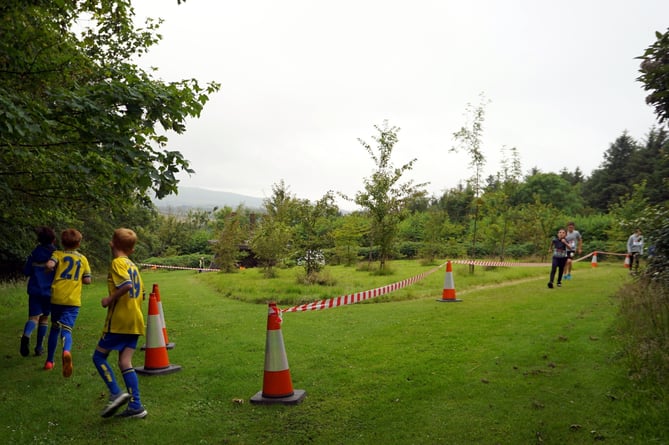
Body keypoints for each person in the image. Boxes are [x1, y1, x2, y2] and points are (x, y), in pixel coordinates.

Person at [93, 228, 147, 419]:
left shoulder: (117, 263)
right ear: (132, 250)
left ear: (111, 243)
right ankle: (136, 406)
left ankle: (116, 392)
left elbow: (126, 286)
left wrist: (110, 299)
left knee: (98, 358)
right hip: (135, 320)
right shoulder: (133, 265)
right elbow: (142, 293)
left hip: (119, 321)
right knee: (125, 361)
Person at [44, 229, 92, 376]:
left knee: (54, 327)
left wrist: (49, 269)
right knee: (67, 329)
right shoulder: (83, 259)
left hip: (56, 297)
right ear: (78, 243)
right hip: (72, 300)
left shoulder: (57, 254)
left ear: (62, 242)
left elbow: (49, 265)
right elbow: (87, 280)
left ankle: (49, 361)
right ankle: (66, 351)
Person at [21, 227, 57, 357]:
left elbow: (26, 271)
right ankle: (39, 347)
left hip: (35, 289)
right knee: (44, 319)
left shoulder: (34, 253)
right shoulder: (55, 254)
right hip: (49, 291)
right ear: (53, 240)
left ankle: (26, 335)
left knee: (33, 318)